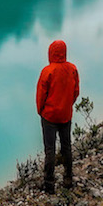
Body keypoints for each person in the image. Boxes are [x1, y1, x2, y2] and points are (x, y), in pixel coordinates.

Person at [36, 39, 80, 194]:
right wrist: (68, 104)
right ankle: (67, 178)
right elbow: (76, 91)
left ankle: (49, 184)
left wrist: (41, 110)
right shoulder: (72, 69)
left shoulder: (47, 71)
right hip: (65, 115)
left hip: (49, 116)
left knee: (50, 149)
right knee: (66, 146)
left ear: (51, 52)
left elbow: (41, 95)